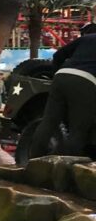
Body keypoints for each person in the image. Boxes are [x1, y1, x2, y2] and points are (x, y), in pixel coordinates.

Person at [31, 22, 96, 158]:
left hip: (62, 76)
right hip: (87, 80)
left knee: (48, 122)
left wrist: (55, 74)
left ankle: (33, 160)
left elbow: (58, 55)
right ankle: (69, 165)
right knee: (78, 129)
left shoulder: (86, 39)